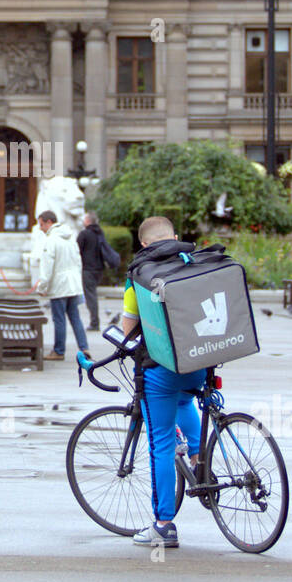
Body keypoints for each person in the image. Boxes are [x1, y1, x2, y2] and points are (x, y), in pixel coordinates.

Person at [119, 215, 205, 549]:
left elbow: (129, 328)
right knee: (186, 400)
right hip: (199, 359)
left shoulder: (140, 274)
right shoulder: (192, 261)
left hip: (161, 367)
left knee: (161, 441)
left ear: (143, 243)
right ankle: (200, 463)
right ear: (175, 236)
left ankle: (164, 525)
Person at [34, 210, 89, 362]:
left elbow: (47, 267)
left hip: (59, 286)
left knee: (59, 319)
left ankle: (58, 351)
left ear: (49, 222)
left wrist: (42, 287)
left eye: (42, 224)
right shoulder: (71, 238)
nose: (41, 228)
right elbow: (78, 262)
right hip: (73, 284)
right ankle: (84, 348)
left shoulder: (51, 240)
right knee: (75, 317)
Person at [76, 211, 118, 331]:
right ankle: (95, 321)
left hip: (88, 269)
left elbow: (77, 251)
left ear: (88, 221)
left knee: (90, 296)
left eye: (85, 219)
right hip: (99, 269)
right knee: (92, 293)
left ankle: (94, 323)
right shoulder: (100, 233)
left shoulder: (84, 234)